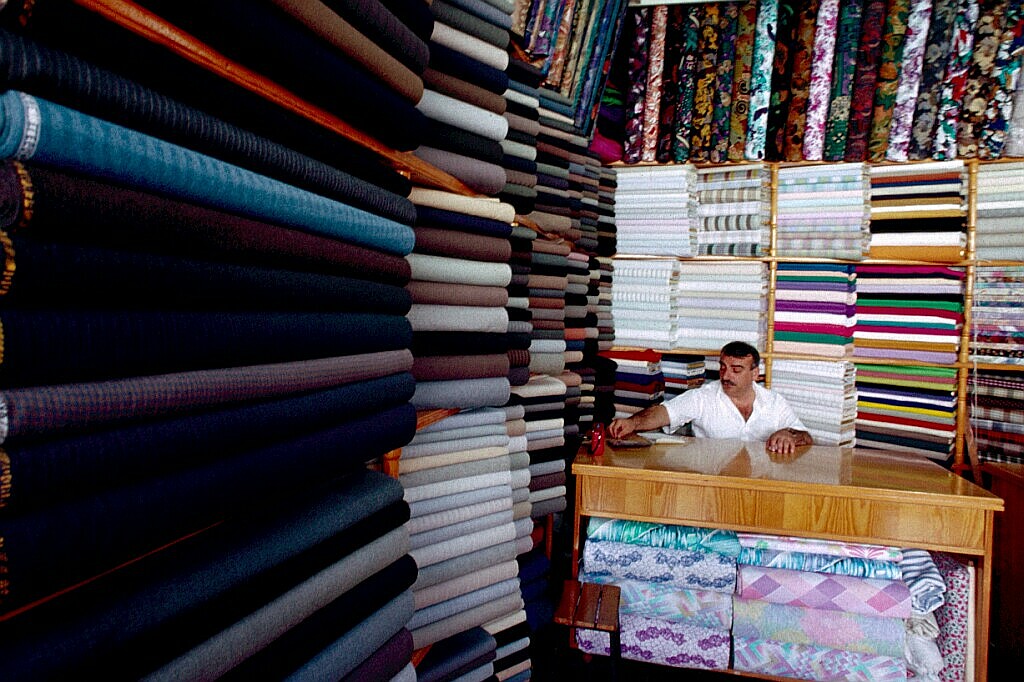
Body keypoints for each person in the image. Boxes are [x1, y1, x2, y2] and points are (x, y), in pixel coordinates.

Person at [607, 341, 812, 454]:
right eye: (723, 367)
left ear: (755, 374)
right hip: (712, 481)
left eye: (736, 370)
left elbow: (806, 436)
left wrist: (789, 435)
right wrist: (632, 423)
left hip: (761, 483)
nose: (726, 375)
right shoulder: (704, 397)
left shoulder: (774, 402)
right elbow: (664, 412)